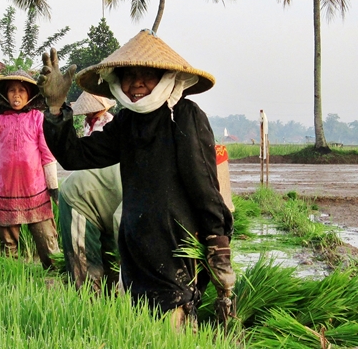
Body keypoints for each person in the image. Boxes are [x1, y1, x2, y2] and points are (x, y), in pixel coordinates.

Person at [37, 30, 235, 326]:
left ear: (167, 77)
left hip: (176, 249)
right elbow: (76, 156)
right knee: (140, 327)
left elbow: (203, 186)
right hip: (135, 249)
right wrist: (55, 109)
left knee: (172, 330)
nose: (137, 83)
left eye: (147, 75)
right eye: (129, 75)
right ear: (117, 82)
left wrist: (217, 242)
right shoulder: (127, 122)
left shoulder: (184, 116)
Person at [0, 71, 60, 270]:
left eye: (22, 90)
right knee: (8, 245)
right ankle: (10, 279)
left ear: (30, 95)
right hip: (4, 192)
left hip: (35, 191)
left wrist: (53, 189)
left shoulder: (38, 118)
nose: (17, 95)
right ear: (5, 94)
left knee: (48, 243)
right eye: (12, 90)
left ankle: (57, 280)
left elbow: (47, 157)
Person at [59, 92, 122, 295]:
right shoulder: (146, 191)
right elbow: (124, 226)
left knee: (112, 267)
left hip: (105, 195)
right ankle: (88, 314)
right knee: (87, 271)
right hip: (80, 197)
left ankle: (112, 308)